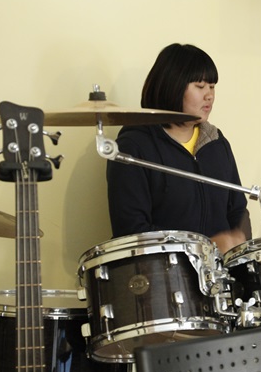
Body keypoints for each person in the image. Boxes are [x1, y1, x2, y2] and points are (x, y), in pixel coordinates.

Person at [106, 43, 251, 254]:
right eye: (200, 86)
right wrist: (203, 248)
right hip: (164, 271)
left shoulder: (217, 143)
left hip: (220, 271)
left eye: (212, 87)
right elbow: (130, 230)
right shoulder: (133, 147)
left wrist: (238, 239)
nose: (209, 95)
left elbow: (238, 210)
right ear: (172, 87)